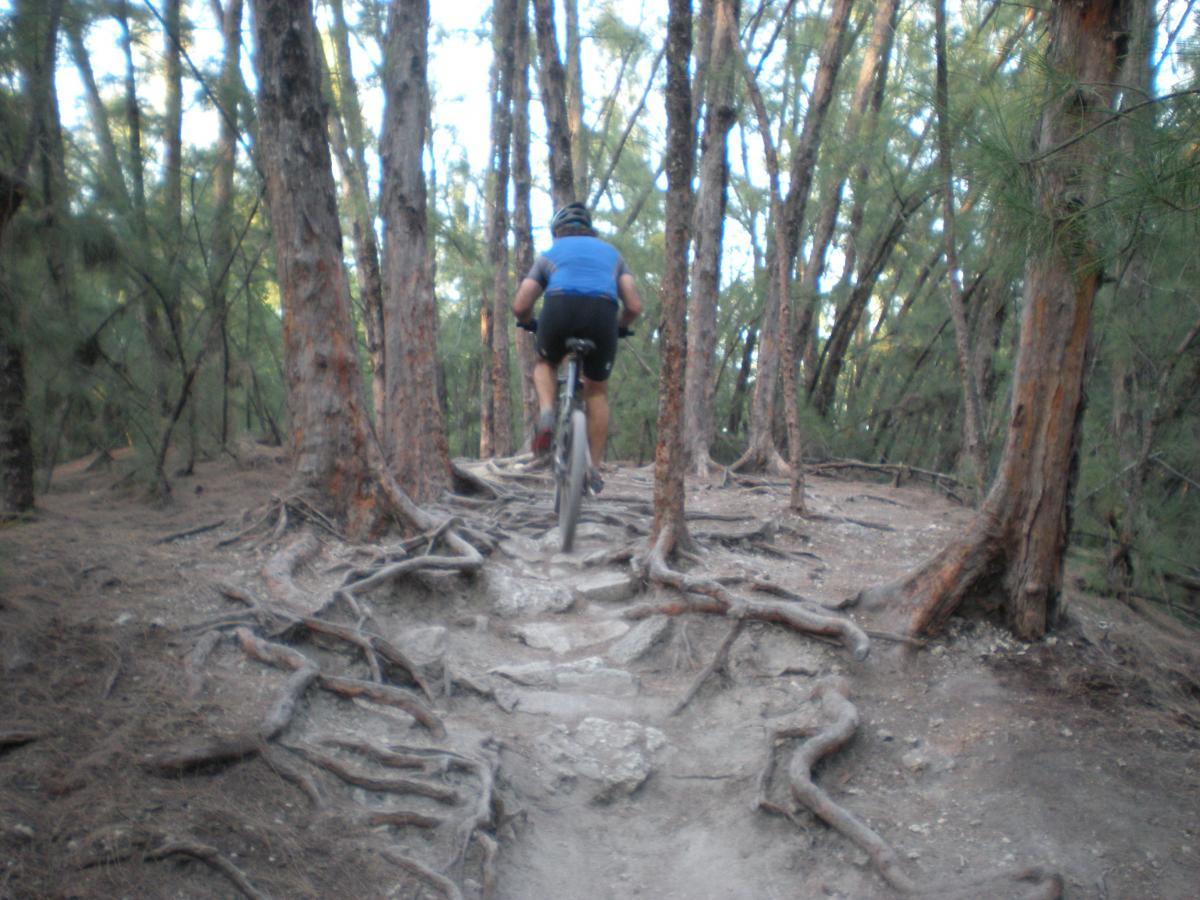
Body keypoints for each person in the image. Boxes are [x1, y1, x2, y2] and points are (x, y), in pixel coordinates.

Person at [511, 202, 642, 494]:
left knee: (545, 363)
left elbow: (520, 304)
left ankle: (547, 412)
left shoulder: (550, 255)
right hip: (603, 315)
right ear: (590, 230)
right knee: (596, 390)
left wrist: (529, 321)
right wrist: (619, 326)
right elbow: (633, 305)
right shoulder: (612, 255)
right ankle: (593, 469)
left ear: (557, 232)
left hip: (559, 309)